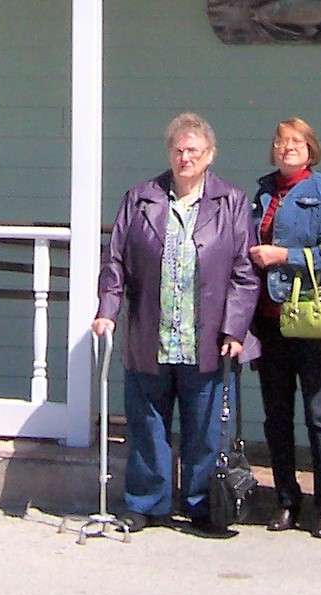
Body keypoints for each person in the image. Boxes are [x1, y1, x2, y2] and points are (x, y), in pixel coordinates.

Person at [92, 112, 259, 535]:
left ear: (210, 156)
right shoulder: (141, 198)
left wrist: (235, 329)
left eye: (194, 151)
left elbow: (243, 271)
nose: (186, 158)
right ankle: (147, 503)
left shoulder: (232, 201)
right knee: (148, 422)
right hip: (152, 331)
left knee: (205, 427)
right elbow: (116, 264)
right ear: (170, 152)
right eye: (179, 150)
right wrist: (106, 312)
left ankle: (204, 505)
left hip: (206, 337)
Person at [249, 118, 321, 538]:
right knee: (276, 417)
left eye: (296, 141)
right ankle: (287, 500)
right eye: (280, 141)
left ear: (310, 148)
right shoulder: (262, 193)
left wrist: (281, 255)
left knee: (320, 415)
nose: (287, 148)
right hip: (269, 321)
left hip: (310, 319)